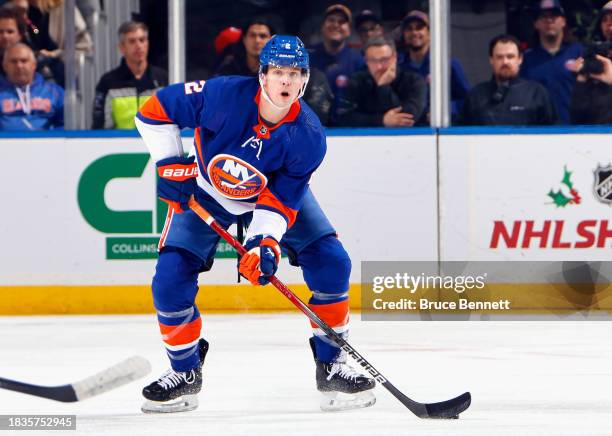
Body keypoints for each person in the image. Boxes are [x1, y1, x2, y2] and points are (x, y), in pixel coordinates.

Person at [135, 35, 375, 414]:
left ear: (306, 80)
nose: (286, 82)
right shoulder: (222, 95)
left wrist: (265, 243)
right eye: (278, 72)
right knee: (169, 278)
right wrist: (169, 162)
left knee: (332, 263)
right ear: (262, 75)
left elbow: (280, 200)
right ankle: (184, 371)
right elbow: (152, 110)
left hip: (268, 194)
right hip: (207, 189)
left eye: (295, 74)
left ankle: (332, 365)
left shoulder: (309, 136)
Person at [460, 34, 557, 126]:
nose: (505, 62)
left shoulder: (536, 93)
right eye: (499, 57)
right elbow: (461, 135)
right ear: (491, 60)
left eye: (510, 57)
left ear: (520, 59)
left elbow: (552, 134)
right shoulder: (476, 95)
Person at [398, 10, 470, 124]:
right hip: (407, 130)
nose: (414, 32)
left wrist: (444, 109)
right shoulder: (397, 67)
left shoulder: (447, 64)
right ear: (404, 34)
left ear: (430, 33)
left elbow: (468, 100)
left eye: (419, 27)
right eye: (409, 29)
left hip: (440, 129)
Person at [336, 36, 426, 127]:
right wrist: (381, 120)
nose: (379, 66)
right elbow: (343, 117)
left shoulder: (414, 81)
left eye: (384, 60)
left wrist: (383, 87)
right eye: (373, 60)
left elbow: (407, 118)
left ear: (394, 57)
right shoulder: (357, 81)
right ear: (366, 61)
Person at [92, 21, 167, 129]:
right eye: (132, 41)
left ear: (147, 44)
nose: (139, 46)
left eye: (142, 40)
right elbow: (99, 127)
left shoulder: (163, 79)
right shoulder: (108, 83)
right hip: (119, 144)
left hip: (155, 144)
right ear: (122, 47)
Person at [520, 0, 582, 124]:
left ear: (563, 21)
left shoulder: (578, 52)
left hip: (574, 129)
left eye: (554, 16)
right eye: (543, 17)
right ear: (536, 24)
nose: (549, 20)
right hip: (537, 131)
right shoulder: (526, 59)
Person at [308, 4, 364, 123]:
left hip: (347, 129)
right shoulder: (307, 58)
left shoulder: (358, 61)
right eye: (331, 20)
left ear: (349, 30)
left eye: (342, 21)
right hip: (312, 126)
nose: (336, 25)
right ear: (323, 26)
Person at [0, 42, 63, 130]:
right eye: (13, 61)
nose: (19, 66)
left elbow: (65, 123)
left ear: (34, 64)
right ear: (5, 66)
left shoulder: (55, 92)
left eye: (24, 61)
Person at [569, 3, 612, 125]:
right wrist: (581, 79)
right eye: (605, 20)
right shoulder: (596, 58)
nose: (609, 24)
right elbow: (576, 116)